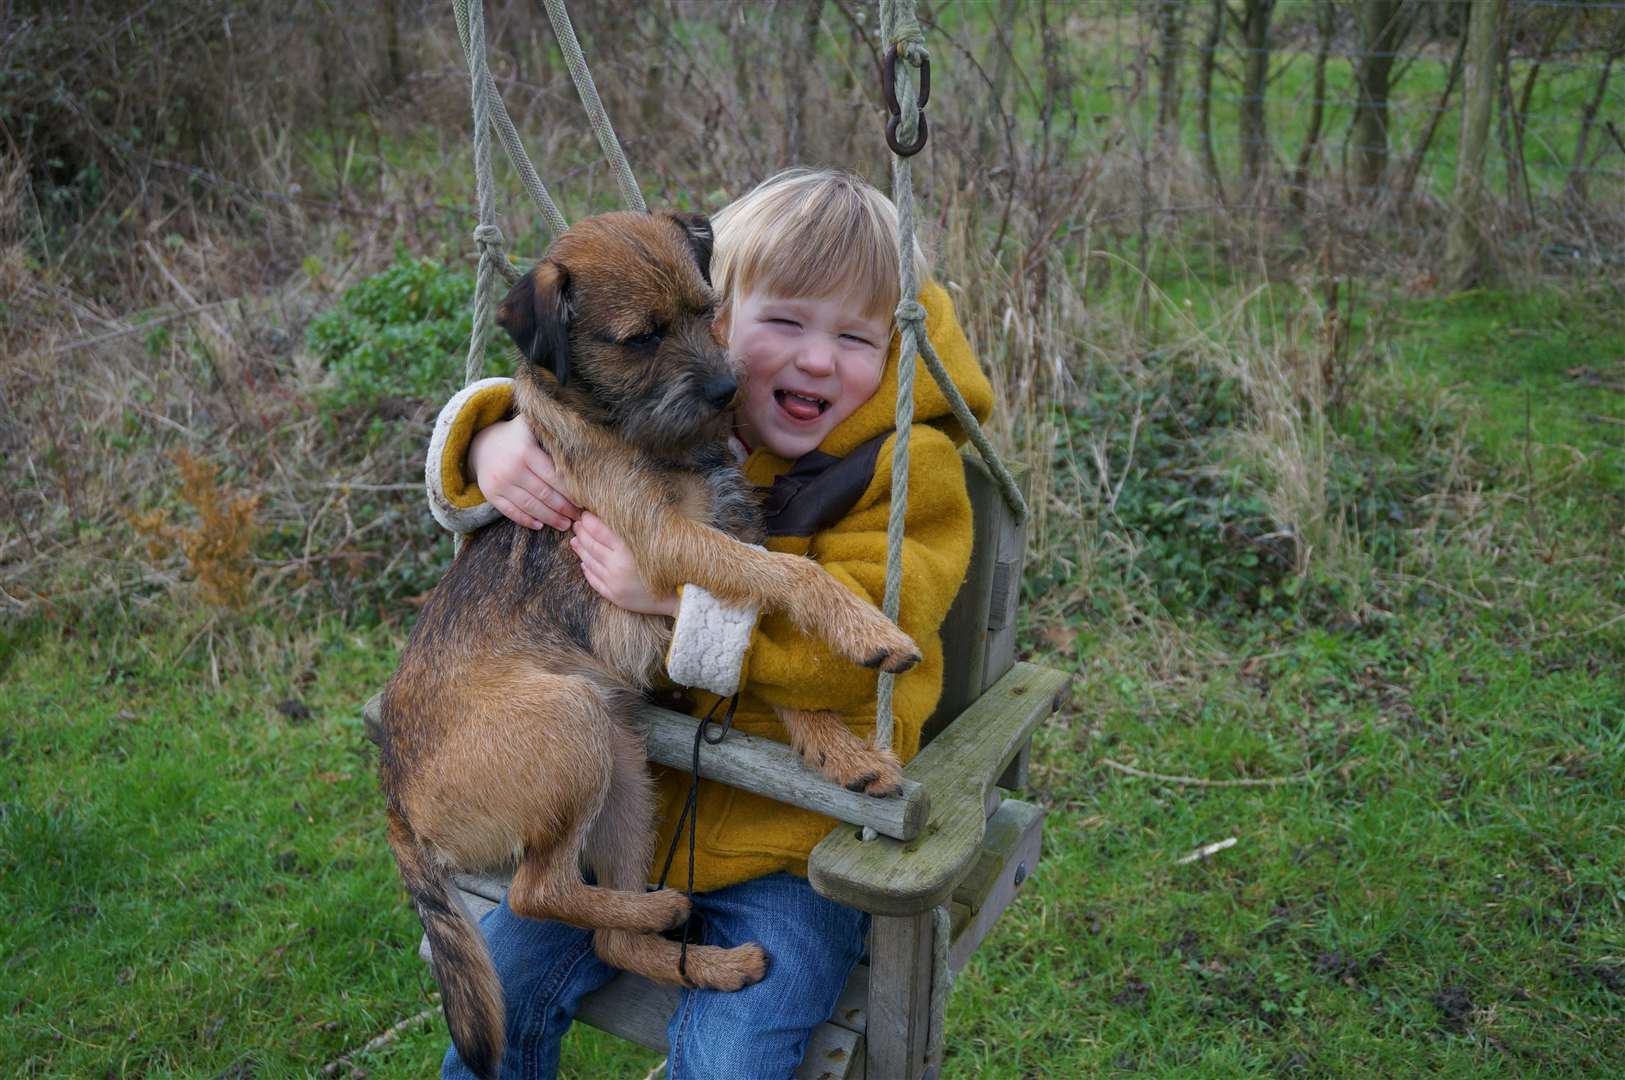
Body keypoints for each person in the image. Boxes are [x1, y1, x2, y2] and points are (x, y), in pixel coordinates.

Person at [423, 167, 993, 1080]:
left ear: (900, 344)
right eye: (780, 325)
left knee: (733, 1063)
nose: (813, 360)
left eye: (855, 336)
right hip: (636, 823)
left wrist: (679, 607)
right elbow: (560, 412)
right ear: (722, 316)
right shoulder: (696, 416)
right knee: (498, 1004)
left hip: (794, 850)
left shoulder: (906, 473)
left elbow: (863, 654)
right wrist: (484, 438)